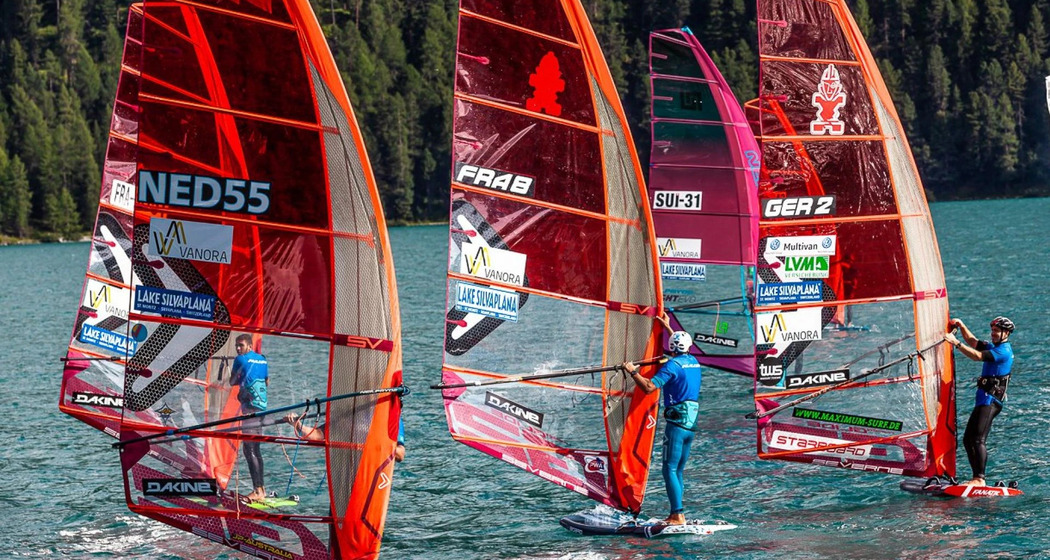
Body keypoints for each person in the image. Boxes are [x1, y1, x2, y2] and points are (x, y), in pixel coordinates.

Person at [623, 314, 701, 525]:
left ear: (672, 348)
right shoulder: (693, 361)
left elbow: (649, 387)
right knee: (678, 469)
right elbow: (679, 349)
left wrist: (633, 372)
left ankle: (677, 514)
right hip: (690, 424)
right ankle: (678, 511)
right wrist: (667, 326)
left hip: (676, 425)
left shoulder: (672, 366)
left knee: (669, 468)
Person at [944, 316, 1015, 486]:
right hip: (983, 399)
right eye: (992, 331)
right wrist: (961, 325)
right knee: (968, 439)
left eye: (996, 331)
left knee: (977, 439)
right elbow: (973, 342)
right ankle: (975, 478)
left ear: (1006, 333)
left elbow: (976, 356)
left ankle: (979, 479)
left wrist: (956, 343)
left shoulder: (1003, 351)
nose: (993, 334)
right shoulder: (994, 346)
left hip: (991, 401)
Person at [231, 334, 269, 501]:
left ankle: (258, 491)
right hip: (262, 408)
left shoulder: (240, 359)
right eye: (236, 346)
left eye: (241, 345)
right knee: (255, 449)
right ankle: (262, 489)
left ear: (249, 346)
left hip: (250, 410)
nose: (238, 349)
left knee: (250, 450)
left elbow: (232, 381)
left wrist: (239, 377)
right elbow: (266, 382)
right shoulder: (262, 359)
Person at [285, 413, 406, 463]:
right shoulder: (347, 418)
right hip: (345, 477)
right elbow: (316, 435)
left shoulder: (392, 418)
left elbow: (400, 454)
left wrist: (377, 445)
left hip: (372, 477)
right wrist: (298, 424)